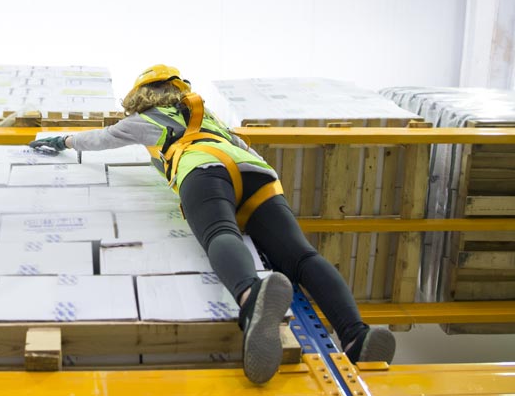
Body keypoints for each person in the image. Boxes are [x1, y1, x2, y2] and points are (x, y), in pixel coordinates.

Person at [29, 65, 396, 384]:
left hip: (202, 168)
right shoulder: (208, 116)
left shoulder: (148, 120)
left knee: (221, 232)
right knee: (301, 256)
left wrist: (62, 139)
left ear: (143, 95)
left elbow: (103, 139)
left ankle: (253, 299)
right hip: (259, 177)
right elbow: (246, 149)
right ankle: (356, 336)